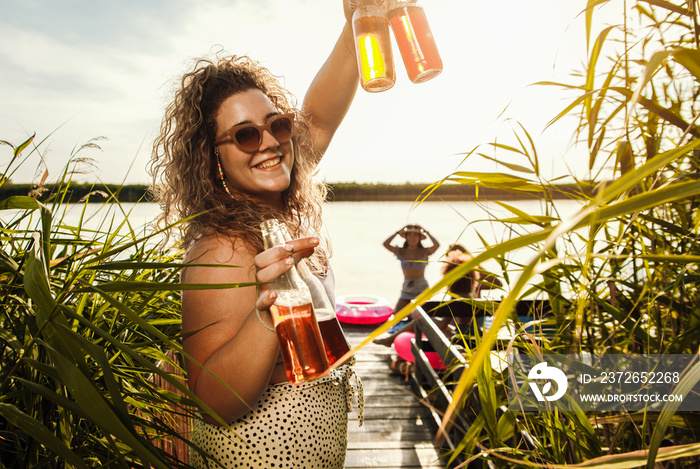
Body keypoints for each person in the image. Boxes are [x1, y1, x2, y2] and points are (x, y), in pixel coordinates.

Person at [149, 3, 361, 467]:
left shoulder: (275, 214)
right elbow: (213, 400)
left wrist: (353, 25)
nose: (268, 142)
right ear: (213, 158)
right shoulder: (221, 246)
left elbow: (320, 119)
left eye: (277, 125)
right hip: (262, 454)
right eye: (244, 135)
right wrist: (269, 312)